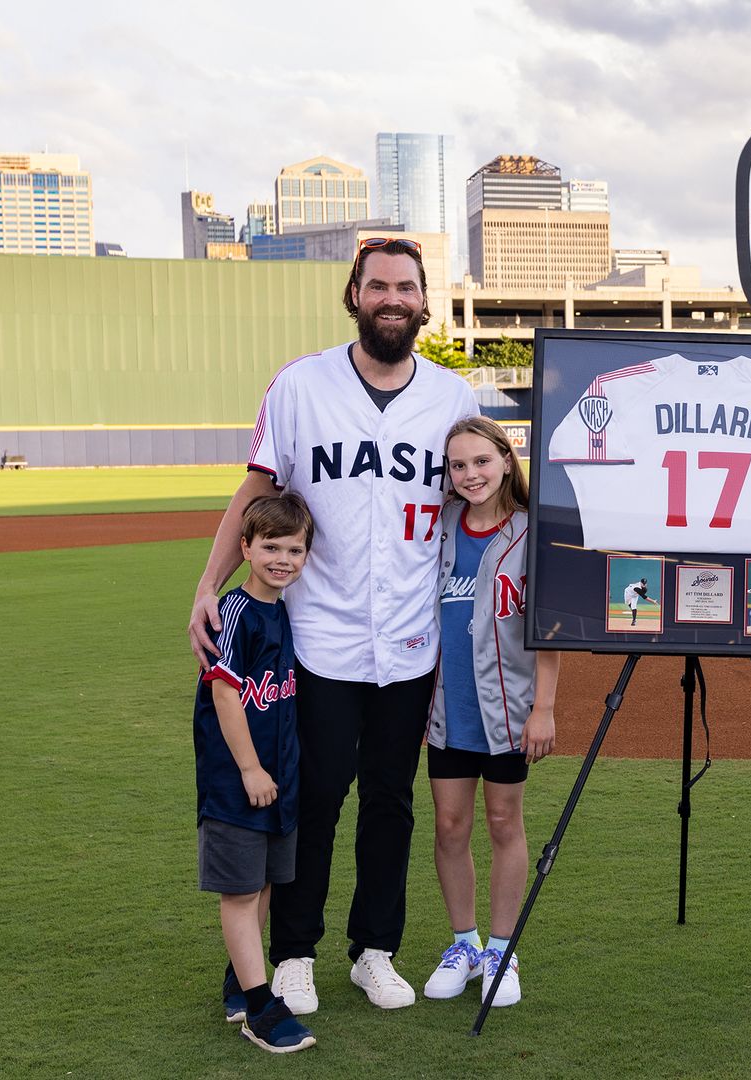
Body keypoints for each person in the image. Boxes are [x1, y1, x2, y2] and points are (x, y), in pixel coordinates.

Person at [188, 237, 480, 1016]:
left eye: (406, 287)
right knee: (314, 797)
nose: (392, 298)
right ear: (354, 294)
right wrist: (208, 584)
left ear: (424, 302)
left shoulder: (453, 398)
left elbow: (483, 505)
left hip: (412, 640)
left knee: (391, 799)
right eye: (377, 284)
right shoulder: (300, 385)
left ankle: (375, 949)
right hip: (319, 635)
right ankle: (292, 953)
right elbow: (255, 489)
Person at [420, 417, 559, 1009]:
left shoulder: (533, 532)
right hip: (447, 708)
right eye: (458, 465)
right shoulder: (439, 526)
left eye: (481, 461)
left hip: (507, 709)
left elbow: (550, 630)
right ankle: (463, 943)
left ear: (507, 460)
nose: (470, 474)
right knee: (450, 827)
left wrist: (544, 709)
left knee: (504, 824)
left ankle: (502, 950)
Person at [195, 492, 315, 1053]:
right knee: (242, 891)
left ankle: (240, 979)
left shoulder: (285, 609)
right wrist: (248, 768)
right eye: (270, 546)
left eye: (295, 549)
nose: (282, 559)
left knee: (265, 881)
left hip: (279, 777)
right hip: (239, 779)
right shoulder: (236, 612)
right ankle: (262, 1007)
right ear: (245, 547)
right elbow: (224, 695)